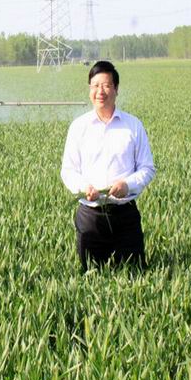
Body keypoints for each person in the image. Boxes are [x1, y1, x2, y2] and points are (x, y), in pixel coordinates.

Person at [60, 60, 156, 271]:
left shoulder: (133, 125)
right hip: (91, 216)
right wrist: (83, 188)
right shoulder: (79, 127)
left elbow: (147, 168)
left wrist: (127, 185)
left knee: (134, 275)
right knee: (91, 276)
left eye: (106, 85)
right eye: (95, 86)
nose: (100, 92)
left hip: (125, 215)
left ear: (116, 89)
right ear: (89, 90)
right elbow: (68, 170)